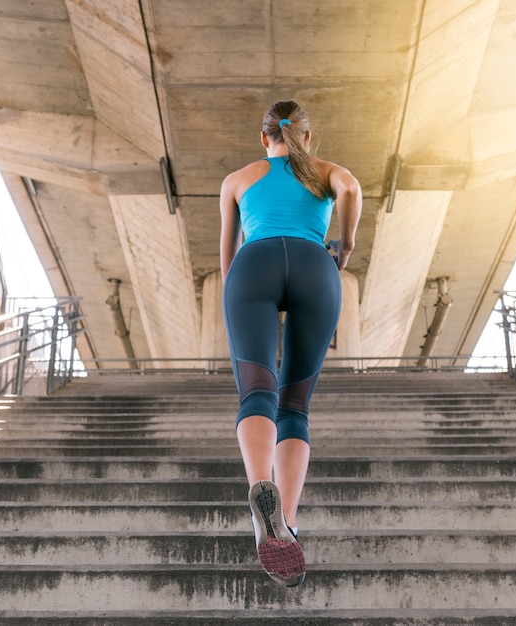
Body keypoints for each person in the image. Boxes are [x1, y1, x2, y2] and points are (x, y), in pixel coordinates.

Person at [219, 99, 362, 587]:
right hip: (314, 268)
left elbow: (226, 258)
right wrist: (344, 245)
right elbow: (352, 188)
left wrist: (236, 300)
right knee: (294, 406)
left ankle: (261, 486)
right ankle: (289, 524)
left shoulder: (238, 179)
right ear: (305, 134)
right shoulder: (326, 171)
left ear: (266, 138)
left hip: (251, 268)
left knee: (257, 390)